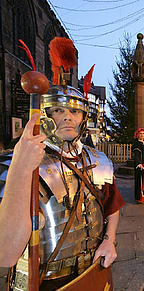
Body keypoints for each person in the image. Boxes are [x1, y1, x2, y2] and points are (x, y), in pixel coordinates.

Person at [0, 38, 125, 290]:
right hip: (44, 280)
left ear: (83, 117)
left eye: (75, 111)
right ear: (44, 114)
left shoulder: (97, 160)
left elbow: (112, 205)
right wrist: (21, 169)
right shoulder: (19, 162)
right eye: (57, 110)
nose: (68, 115)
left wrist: (110, 239)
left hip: (93, 270)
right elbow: (5, 253)